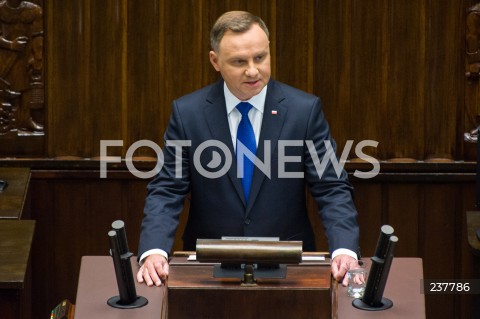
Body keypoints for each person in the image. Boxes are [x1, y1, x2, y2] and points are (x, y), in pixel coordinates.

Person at [136, 11, 360, 287]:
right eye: (239, 61)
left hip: (288, 268)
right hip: (208, 269)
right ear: (215, 61)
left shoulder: (304, 111)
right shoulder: (188, 113)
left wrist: (345, 250)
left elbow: (331, 187)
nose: (253, 70)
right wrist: (154, 250)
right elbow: (168, 187)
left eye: (260, 57)